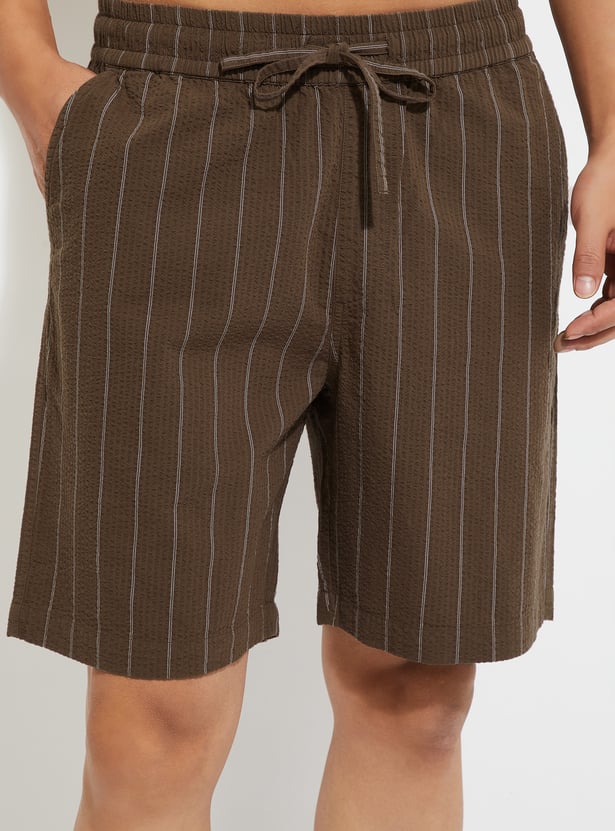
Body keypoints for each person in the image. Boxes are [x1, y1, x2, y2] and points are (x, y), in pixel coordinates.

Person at [1, 0, 613, 828]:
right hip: (171, 116)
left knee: (417, 694)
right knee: (152, 720)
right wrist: (32, 81)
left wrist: (614, 126)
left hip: (460, 118)